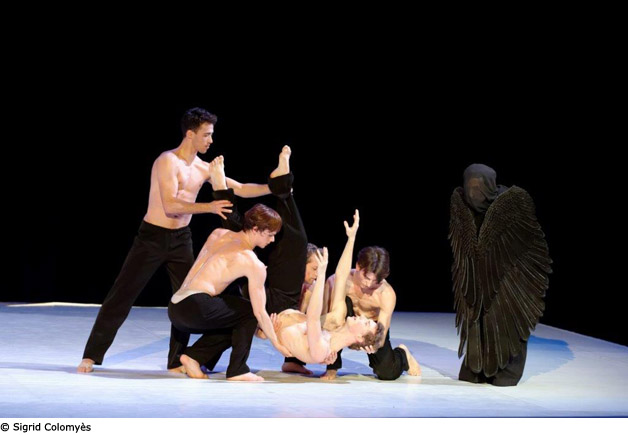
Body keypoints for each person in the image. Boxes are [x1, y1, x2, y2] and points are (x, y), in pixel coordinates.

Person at [77, 107, 270, 373]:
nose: (211, 140)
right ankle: (91, 355)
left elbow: (241, 188)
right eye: (206, 135)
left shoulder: (203, 167)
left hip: (181, 239)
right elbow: (170, 204)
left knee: (185, 297)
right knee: (122, 295)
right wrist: (210, 207)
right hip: (152, 237)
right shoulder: (167, 161)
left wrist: (273, 188)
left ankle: (176, 361)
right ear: (190, 134)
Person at [167, 149, 295, 381]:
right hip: (196, 307)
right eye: (270, 234)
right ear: (255, 229)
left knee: (233, 317)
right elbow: (259, 312)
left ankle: (193, 357)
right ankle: (238, 369)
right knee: (248, 313)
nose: (272, 240)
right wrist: (277, 344)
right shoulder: (252, 262)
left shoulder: (218, 233)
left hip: (175, 307)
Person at [449, 163, 552, 386]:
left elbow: (528, 242)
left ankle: (508, 369)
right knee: (477, 317)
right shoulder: (460, 204)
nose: (474, 193)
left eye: (479, 186)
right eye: (469, 186)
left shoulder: (513, 202)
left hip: (512, 274)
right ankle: (479, 366)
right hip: (476, 276)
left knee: (507, 317)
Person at [270, 210, 387, 365]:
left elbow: (312, 319)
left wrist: (321, 275)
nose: (363, 317)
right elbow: (341, 276)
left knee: (296, 238)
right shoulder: (332, 329)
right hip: (276, 310)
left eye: (366, 323)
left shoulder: (322, 350)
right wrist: (351, 238)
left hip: (267, 313)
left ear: (359, 337)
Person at [317, 246, 421, 381]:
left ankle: (403, 355)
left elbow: (381, 333)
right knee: (341, 308)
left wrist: (375, 345)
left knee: (387, 373)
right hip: (346, 321)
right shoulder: (337, 281)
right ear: (358, 266)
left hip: (372, 328)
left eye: (375, 281)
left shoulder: (386, 294)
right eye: (366, 277)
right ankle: (333, 367)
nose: (369, 284)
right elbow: (328, 322)